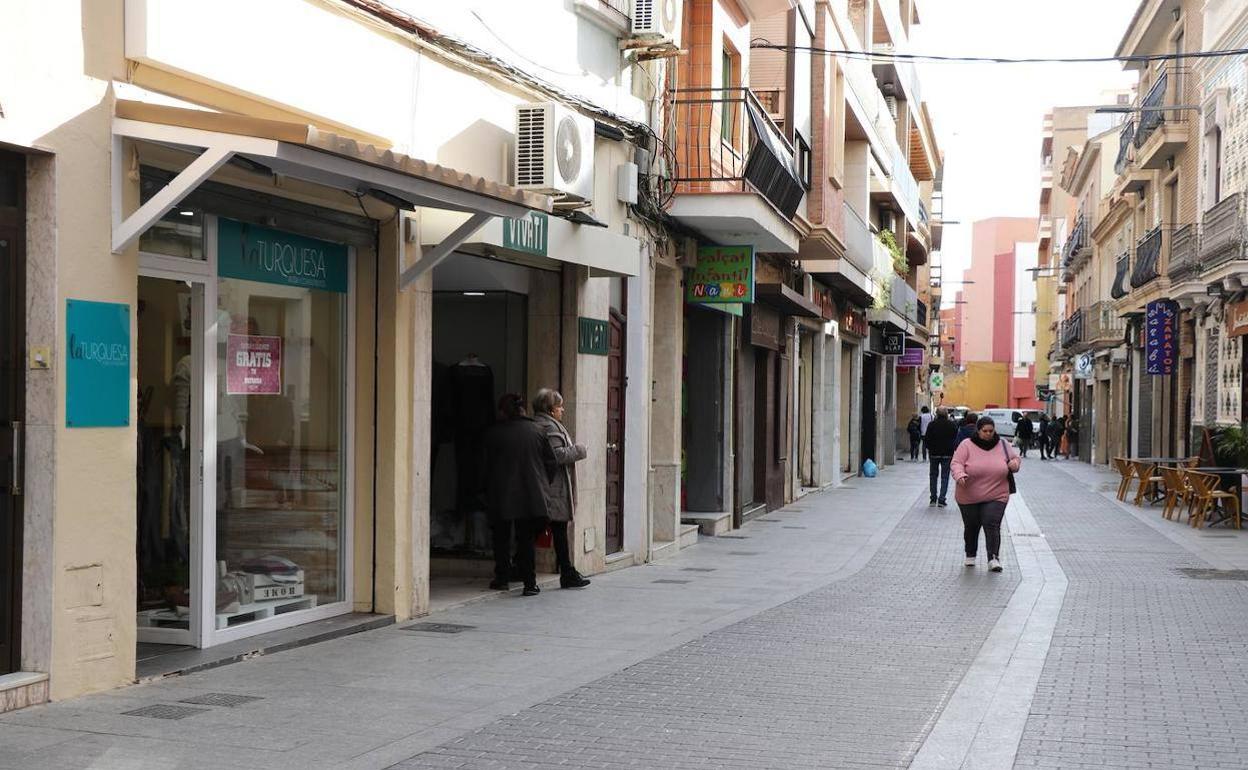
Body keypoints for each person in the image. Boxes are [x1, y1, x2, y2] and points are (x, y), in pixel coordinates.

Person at [481, 393, 556, 596]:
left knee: (501, 538)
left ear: (503, 411)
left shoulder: (494, 433)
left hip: (501, 493)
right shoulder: (538, 430)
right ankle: (530, 583)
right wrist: (543, 483)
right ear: (523, 409)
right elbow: (551, 463)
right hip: (532, 493)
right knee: (526, 539)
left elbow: (485, 466)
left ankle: (502, 578)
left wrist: (485, 490)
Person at [531, 388, 592, 590]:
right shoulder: (549, 426)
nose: (562, 410)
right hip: (553, 488)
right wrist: (579, 450)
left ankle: (566, 571)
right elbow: (557, 455)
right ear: (550, 409)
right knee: (555, 531)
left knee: (550, 531)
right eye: (559, 406)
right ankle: (566, 572)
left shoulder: (543, 423)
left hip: (549, 487)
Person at [951, 416, 1021, 572]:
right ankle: (970, 554)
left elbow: (1015, 458)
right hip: (969, 494)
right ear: (978, 430)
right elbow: (956, 463)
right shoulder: (966, 445)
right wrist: (959, 474)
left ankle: (993, 558)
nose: (988, 434)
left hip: (997, 493)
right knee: (972, 525)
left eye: (991, 431)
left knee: (992, 523)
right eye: (985, 431)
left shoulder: (1003, 444)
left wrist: (1014, 464)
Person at [924, 407, 959, 507]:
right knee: (945, 476)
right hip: (947, 454)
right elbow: (955, 439)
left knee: (933, 475)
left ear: (937, 414)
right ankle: (942, 499)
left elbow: (927, 439)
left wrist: (930, 448)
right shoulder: (952, 425)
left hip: (934, 454)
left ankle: (933, 499)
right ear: (947, 414)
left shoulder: (932, 425)